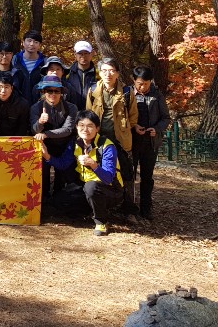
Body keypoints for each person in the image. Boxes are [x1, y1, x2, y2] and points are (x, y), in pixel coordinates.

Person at [41, 110, 124, 236]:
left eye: (90, 126)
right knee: (59, 201)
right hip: (85, 185)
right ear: (76, 127)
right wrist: (47, 156)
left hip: (111, 189)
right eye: (81, 125)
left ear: (97, 128)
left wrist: (94, 165)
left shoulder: (107, 146)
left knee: (92, 187)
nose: (85, 129)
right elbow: (63, 164)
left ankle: (101, 221)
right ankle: (88, 211)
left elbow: (108, 178)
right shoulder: (75, 143)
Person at [86, 57, 139, 216]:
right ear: (99, 72)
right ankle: (100, 207)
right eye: (104, 70)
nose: (108, 74)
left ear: (117, 73)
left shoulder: (127, 92)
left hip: (120, 140)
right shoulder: (93, 90)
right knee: (98, 171)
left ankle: (128, 208)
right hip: (99, 139)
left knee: (126, 173)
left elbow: (133, 117)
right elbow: (88, 115)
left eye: (111, 71)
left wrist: (123, 129)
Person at [131, 65, 171, 220]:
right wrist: (134, 126)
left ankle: (146, 208)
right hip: (132, 141)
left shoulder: (157, 95)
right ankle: (129, 206)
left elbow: (165, 118)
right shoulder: (128, 93)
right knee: (129, 175)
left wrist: (157, 129)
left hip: (150, 142)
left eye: (146, 84)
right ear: (134, 80)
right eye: (140, 84)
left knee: (147, 177)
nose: (143, 87)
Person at [31, 74, 78, 201]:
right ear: (43, 92)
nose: (53, 94)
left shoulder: (71, 108)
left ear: (61, 92)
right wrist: (40, 122)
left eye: (56, 91)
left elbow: (68, 129)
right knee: (43, 174)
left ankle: (59, 200)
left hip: (65, 145)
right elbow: (34, 130)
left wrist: (46, 134)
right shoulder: (35, 108)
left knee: (62, 176)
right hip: (45, 146)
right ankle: (44, 199)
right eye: (49, 91)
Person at [0, 72, 30, 137]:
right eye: (0, 87)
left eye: (6, 87)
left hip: (14, 139)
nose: (3, 91)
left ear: (12, 88)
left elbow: (23, 126)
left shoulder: (22, 104)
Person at [12, 29, 47, 94]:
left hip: (38, 99)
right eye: (29, 41)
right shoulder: (15, 59)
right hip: (18, 98)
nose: (32, 44)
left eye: (36, 42)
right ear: (23, 43)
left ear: (40, 45)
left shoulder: (45, 62)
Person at [66, 40, 97, 111]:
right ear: (75, 54)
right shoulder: (67, 74)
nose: (83, 56)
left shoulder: (98, 74)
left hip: (92, 114)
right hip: (72, 113)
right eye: (80, 53)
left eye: (86, 53)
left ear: (91, 54)